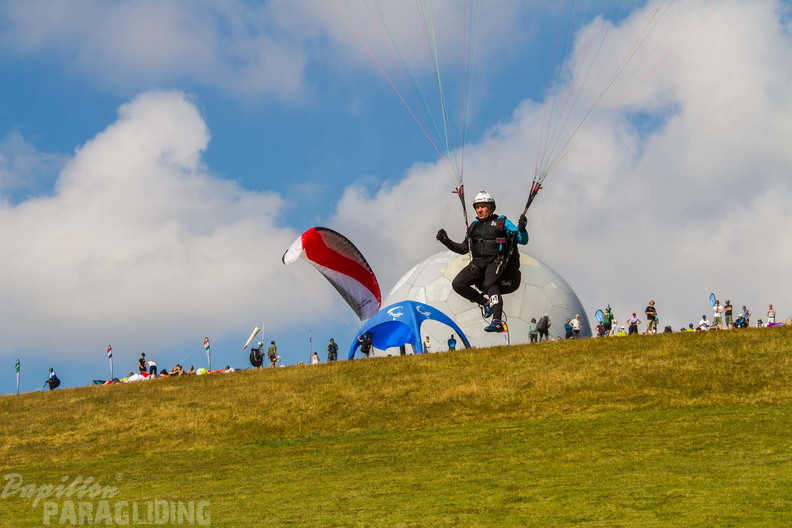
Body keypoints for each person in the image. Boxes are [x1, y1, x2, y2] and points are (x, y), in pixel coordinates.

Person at [436, 190, 528, 333]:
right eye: (477, 207)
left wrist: (522, 229)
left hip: (496, 260)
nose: (479, 210)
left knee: (491, 283)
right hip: (478, 263)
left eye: (483, 206)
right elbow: (464, 248)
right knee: (458, 284)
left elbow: (522, 240)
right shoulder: (473, 226)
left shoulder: (502, 222)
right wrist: (446, 241)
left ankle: (497, 320)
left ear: (491, 208)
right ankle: (484, 303)